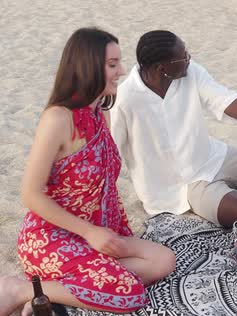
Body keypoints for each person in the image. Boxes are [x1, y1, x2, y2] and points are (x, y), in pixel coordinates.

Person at [0, 28, 175, 316]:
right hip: (52, 236)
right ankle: (18, 289)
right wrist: (89, 232)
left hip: (97, 231)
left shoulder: (100, 112)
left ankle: (57, 289)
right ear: (87, 65)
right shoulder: (57, 118)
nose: (121, 70)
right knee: (129, 294)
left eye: (119, 62)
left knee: (163, 261)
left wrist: (105, 233)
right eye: (112, 64)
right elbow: (30, 195)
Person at [112, 30, 237, 228]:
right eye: (183, 57)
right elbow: (111, 154)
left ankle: (236, 193)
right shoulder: (124, 99)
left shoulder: (191, 71)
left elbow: (226, 101)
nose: (188, 58)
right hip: (182, 187)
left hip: (213, 156)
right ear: (162, 68)